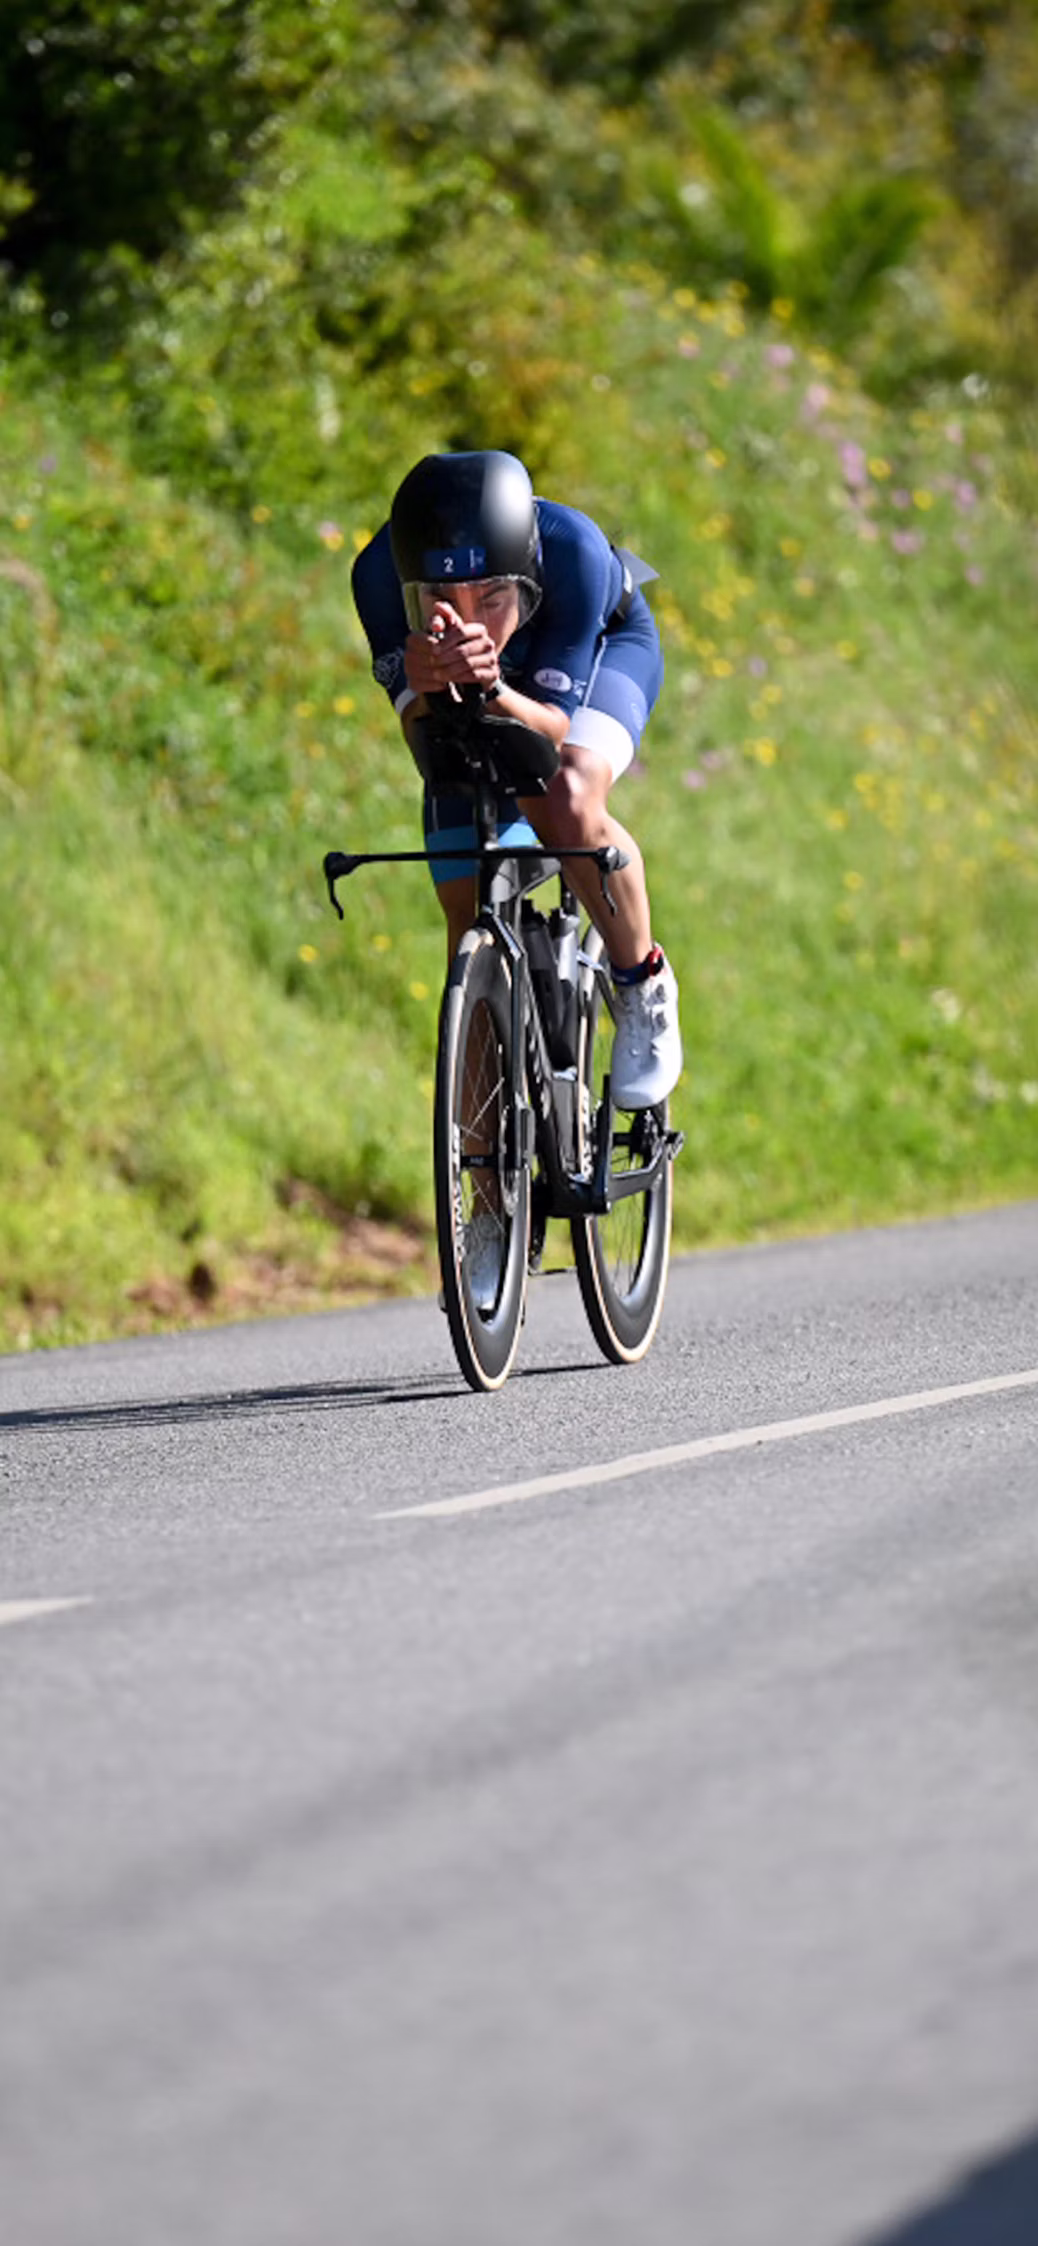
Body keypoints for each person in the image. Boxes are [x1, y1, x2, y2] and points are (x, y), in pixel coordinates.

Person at [352, 449, 682, 1111]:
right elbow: (422, 734)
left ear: (524, 575)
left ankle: (641, 981)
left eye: (492, 597)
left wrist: (494, 685)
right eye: (440, 598)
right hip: (486, 680)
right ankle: (477, 1166)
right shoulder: (377, 575)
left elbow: (553, 730)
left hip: (602, 648)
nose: (467, 616)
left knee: (565, 795)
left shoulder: (574, 551)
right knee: (463, 895)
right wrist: (431, 688)